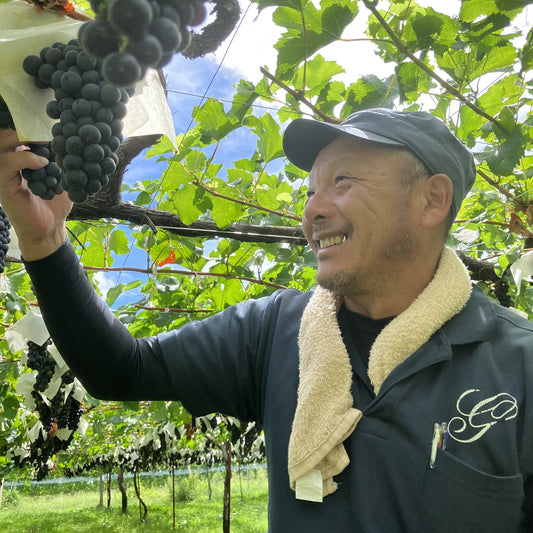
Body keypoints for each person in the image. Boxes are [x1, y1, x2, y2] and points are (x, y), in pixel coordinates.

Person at [1, 108, 532, 532]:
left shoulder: (520, 364)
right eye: (309, 192)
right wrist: (44, 241)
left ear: (431, 199)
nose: (312, 211)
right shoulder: (274, 331)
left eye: (342, 181)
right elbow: (119, 371)